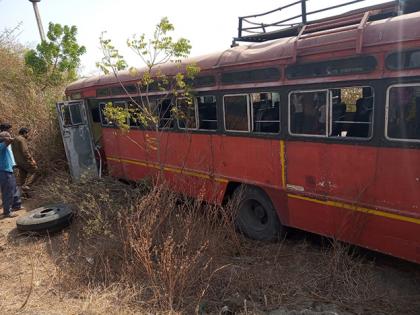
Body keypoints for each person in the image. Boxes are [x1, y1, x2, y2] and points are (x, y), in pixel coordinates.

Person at [0, 126, 22, 217]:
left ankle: (15, 205)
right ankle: (7, 212)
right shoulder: (2, 146)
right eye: (8, 135)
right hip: (4, 171)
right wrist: (9, 138)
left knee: (12, 189)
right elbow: (9, 140)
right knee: (8, 191)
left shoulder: (2, 146)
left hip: (7, 170)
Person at [12, 127, 38, 192]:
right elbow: (25, 151)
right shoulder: (21, 139)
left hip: (18, 162)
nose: (28, 135)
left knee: (23, 178)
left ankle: (25, 194)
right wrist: (31, 159)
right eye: (27, 133)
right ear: (24, 133)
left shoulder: (14, 139)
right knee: (34, 170)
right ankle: (26, 186)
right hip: (25, 161)